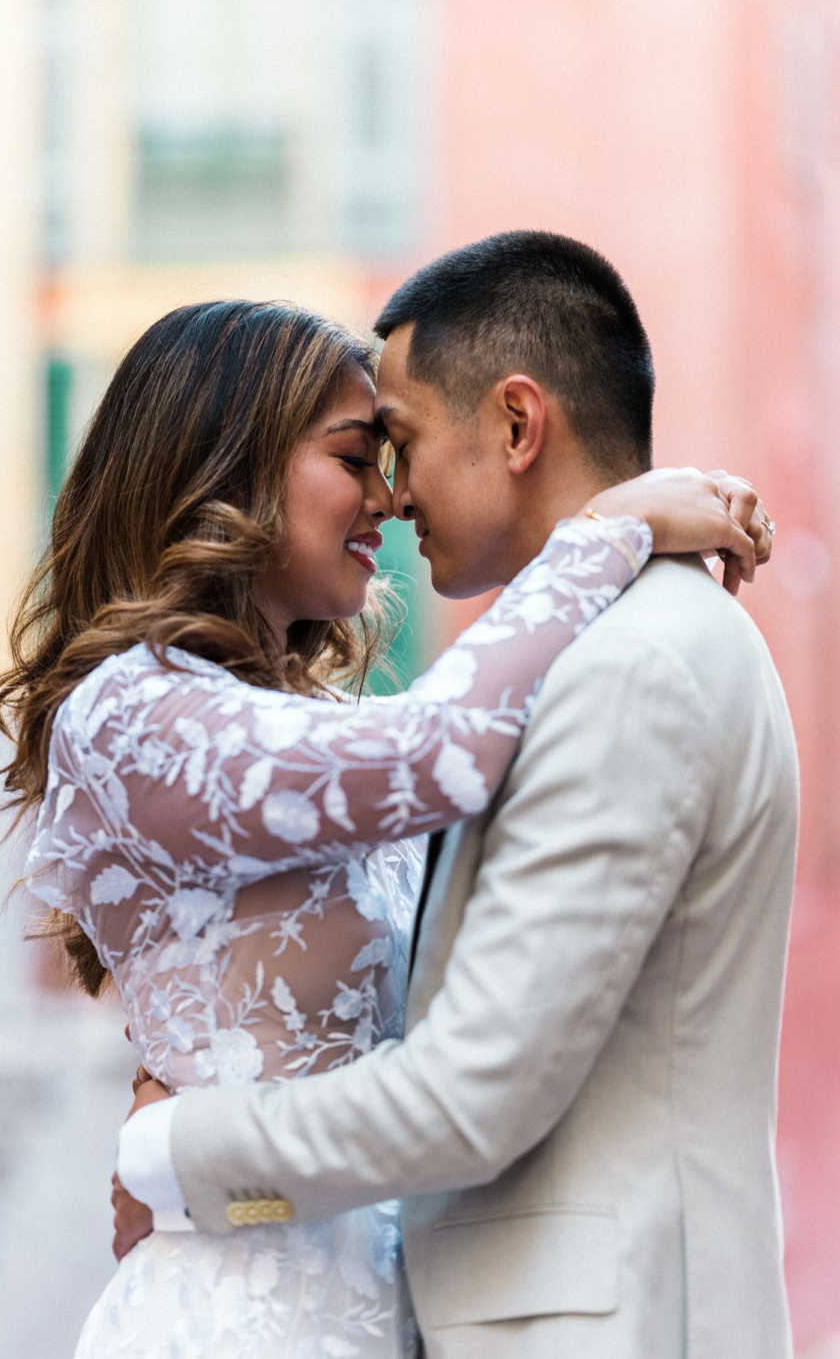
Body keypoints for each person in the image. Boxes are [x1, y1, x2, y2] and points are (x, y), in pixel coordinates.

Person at [110, 235, 794, 1359]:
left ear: (518, 426)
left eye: (403, 441)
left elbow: (473, 1094)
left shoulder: (628, 668)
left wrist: (179, 1150)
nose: (393, 489)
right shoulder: (599, 653)